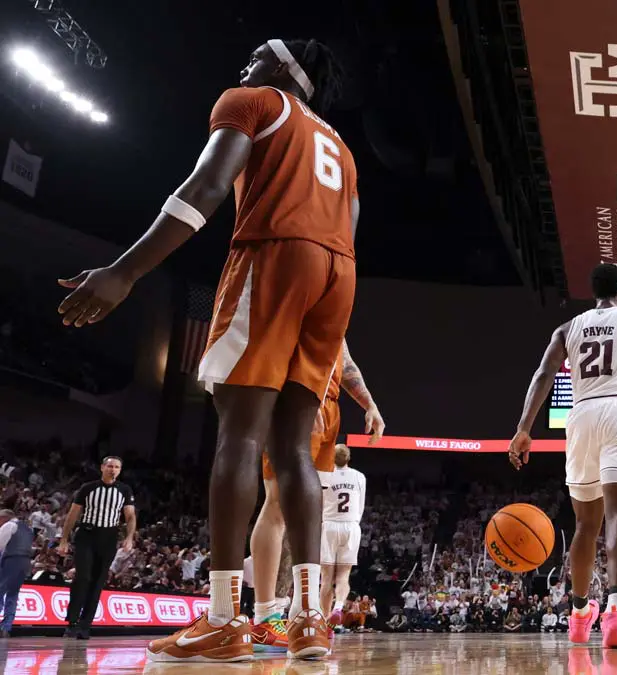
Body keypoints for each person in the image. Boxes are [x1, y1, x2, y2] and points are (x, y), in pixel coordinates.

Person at [58, 38, 355, 661]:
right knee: (295, 448)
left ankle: (223, 618)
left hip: (277, 254)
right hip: (339, 274)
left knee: (241, 437)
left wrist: (124, 270)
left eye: (255, 57)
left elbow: (207, 185)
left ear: (282, 71)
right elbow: (345, 229)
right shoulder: (344, 151)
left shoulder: (252, 100)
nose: (243, 66)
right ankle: (308, 620)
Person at [508, 262, 617, 649]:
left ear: (592, 292)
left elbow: (542, 375)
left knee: (585, 526)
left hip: (580, 415)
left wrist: (523, 429)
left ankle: (580, 614)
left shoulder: (567, 328)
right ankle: (616, 610)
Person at [249, 341, 384, 653]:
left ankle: (298, 615)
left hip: (327, 403)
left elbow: (344, 358)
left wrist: (369, 404)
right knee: (280, 503)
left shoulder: (336, 298)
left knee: (307, 512)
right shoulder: (305, 292)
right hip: (297, 396)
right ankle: (266, 614)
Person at [57, 456, 136, 640]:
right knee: (83, 577)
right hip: (86, 535)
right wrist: (64, 539)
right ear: (102, 467)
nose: (113, 470)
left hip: (108, 538)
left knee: (98, 581)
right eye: (110, 466)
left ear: (120, 470)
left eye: (117, 467)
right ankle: (72, 622)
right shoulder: (88, 488)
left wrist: (130, 537)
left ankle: (86, 625)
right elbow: (73, 514)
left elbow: (130, 516)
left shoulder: (125, 490)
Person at [320, 444, 367, 622]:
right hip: (351, 525)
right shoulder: (359, 477)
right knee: (343, 576)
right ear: (348, 458)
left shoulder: (324, 475)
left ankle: (324, 619)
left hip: (330, 524)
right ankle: (338, 607)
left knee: (326, 579)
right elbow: (361, 502)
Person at [0, 510, 34, 638]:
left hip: (12, 560)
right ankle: (6, 626)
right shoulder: (28, 529)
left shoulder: (9, 525)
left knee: (0, 590)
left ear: (4, 518)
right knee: (13, 594)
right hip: (25, 562)